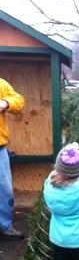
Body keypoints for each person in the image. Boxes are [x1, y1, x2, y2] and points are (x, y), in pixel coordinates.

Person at [0, 78, 25, 239]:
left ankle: (4, 225)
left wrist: (6, 102)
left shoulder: (0, 84)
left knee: (5, 190)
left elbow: (19, 100)